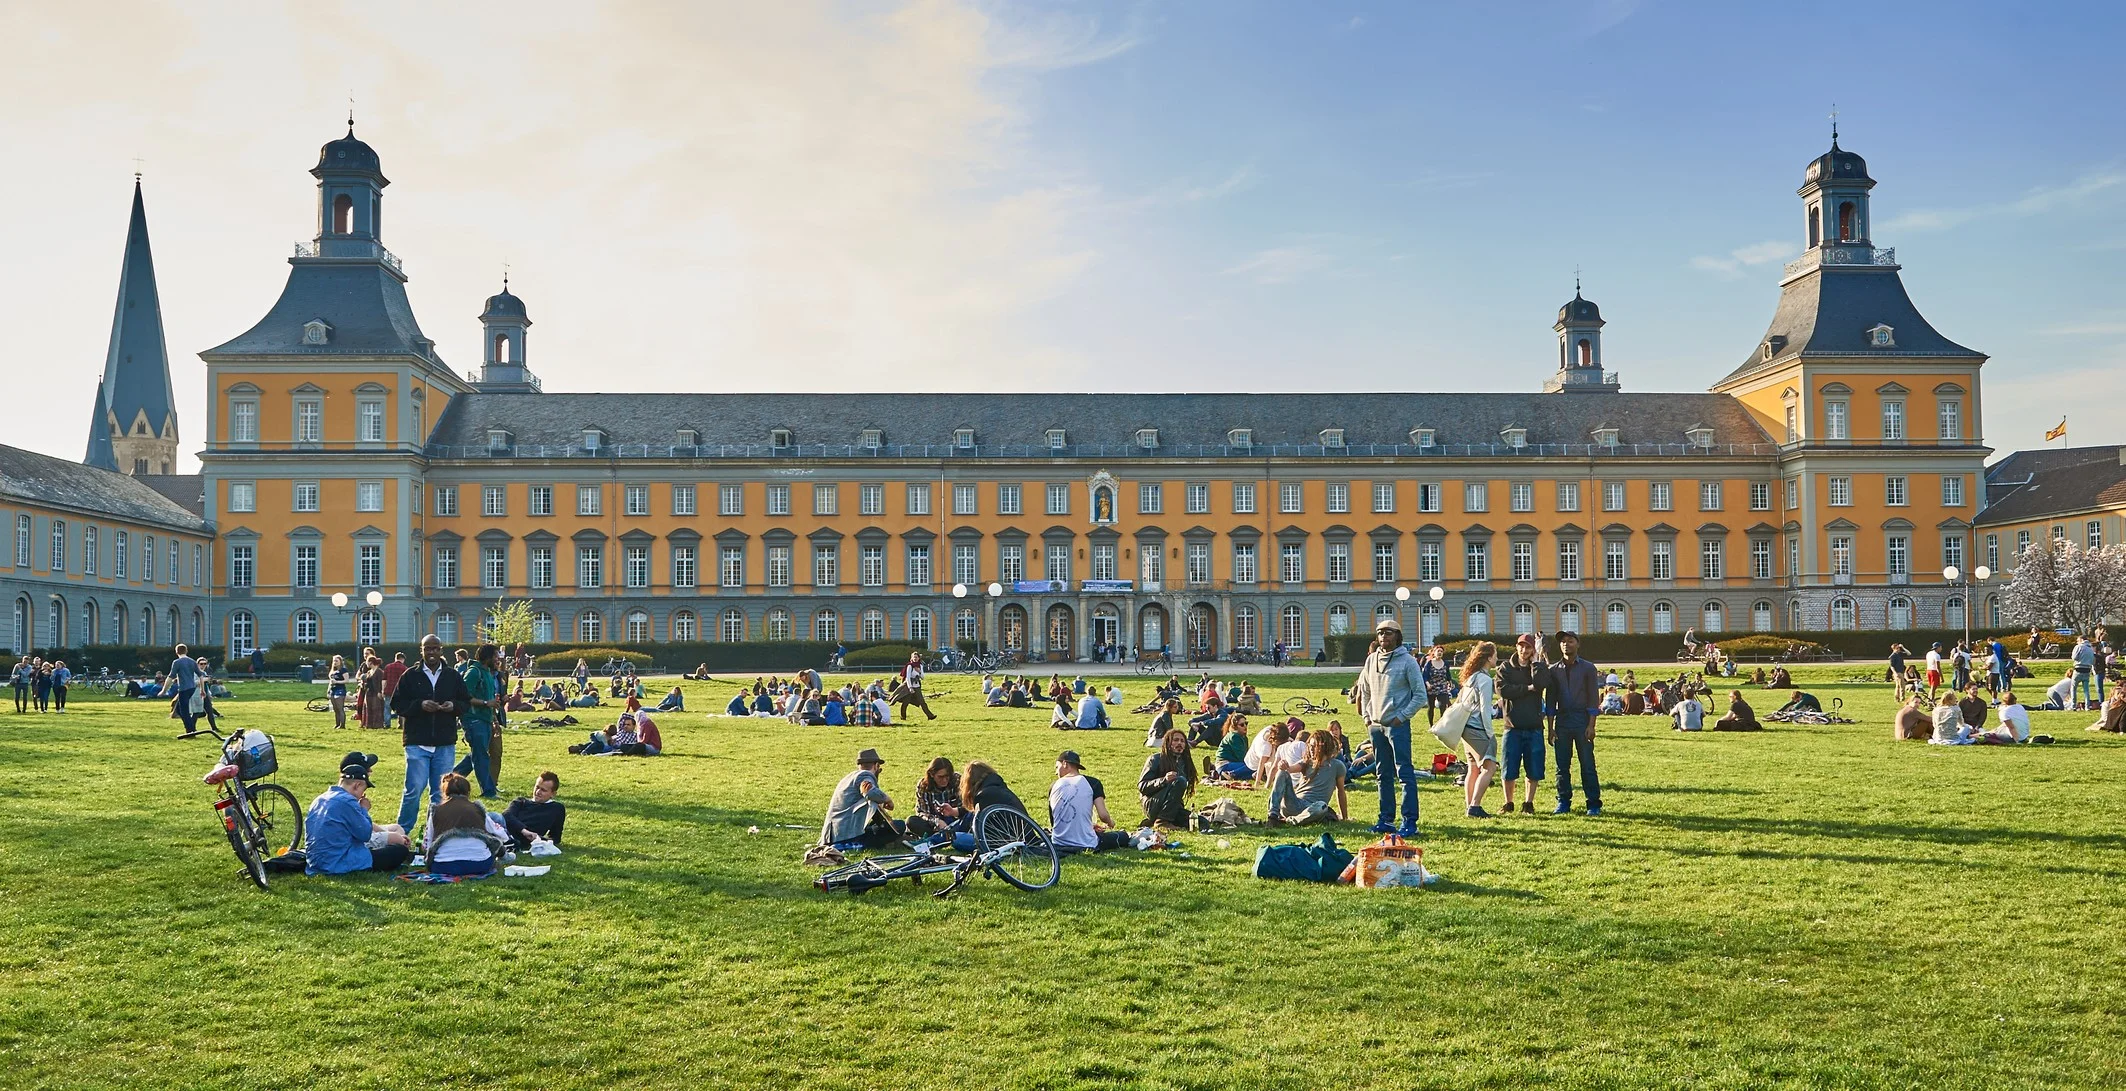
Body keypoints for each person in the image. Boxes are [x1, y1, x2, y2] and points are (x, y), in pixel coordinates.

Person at [1351, 616, 1426, 836]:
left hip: (1397, 726)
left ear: (1398, 637)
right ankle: (1385, 819)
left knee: (1404, 772)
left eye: (1389, 632)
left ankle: (1409, 821)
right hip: (1375, 725)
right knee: (1382, 774)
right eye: (1381, 632)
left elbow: (1420, 695)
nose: (1384, 636)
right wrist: (1366, 716)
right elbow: (1363, 690)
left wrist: (1402, 716)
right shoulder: (1371, 660)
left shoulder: (1408, 662)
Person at [391, 634, 471, 832]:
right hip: (417, 742)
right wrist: (419, 705)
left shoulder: (452, 676)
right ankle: (402, 832)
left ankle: (434, 832)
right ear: (422, 651)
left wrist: (453, 706)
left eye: (435, 648)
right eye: (428, 649)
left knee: (440, 793)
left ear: (441, 650)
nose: (432, 652)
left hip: (444, 742)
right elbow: (397, 704)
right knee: (414, 790)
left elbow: (466, 702)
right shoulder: (410, 675)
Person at [303, 752, 412, 875]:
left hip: (315, 862)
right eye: (363, 790)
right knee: (399, 851)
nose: (362, 794)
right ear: (357, 785)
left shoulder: (320, 799)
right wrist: (364, 809)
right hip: (338, 862)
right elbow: (364, 834)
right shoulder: (347, 801)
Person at [1547, 630, 1603, 816]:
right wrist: (1550, 728)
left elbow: (1593, 698)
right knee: (1562, 766)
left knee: (1587, 764)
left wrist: (1591, 725)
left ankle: (1593, 803)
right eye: (1563, 642)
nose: (1566, 644)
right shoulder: (1554, 670)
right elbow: (1551, 700)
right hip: (1562, 721)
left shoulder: (1588, 668)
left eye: (1570, 641)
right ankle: (1563, 801)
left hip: (1582, 721)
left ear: (1577, 644)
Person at [1446, 641, 1501, 818]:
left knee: (1472, 768)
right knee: (1489, 767)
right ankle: (1475, 806)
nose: (1497, 658)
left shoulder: (1471, 677)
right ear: (1488, 657)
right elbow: (1485, 710)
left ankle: (1469, 805)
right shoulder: (1484, 680)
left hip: (1465, 728)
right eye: (1495, 655)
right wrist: (1490, 731)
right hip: (1478, 728)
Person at [422, 773, 508, 877]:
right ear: (467, 791)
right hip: (479, 864)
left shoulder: (436, 811)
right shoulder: (477, 809)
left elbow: (427, 843)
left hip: (443, 866)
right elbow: (501, 834)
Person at [821, 749, 904, 851]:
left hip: (833, 834)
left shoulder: (848, 778)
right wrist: (887, 799)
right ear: (876, 765)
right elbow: (869, 792)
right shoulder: (865, 775)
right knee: (899, 826)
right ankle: (852, 845)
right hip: (846, 833)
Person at [1049, 751, 1131, 852]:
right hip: (1086, 843)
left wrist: (1089, 825)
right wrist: (1110, 823)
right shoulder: (1092, 783)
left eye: (1057, 767)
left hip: (1058, 841)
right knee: (1122, 836)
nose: (1056, 772)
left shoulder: (1054, 786)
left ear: (1065, 764)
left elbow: (1056, 820)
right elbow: (1103, 816)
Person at [1266, 728, 1349, 827]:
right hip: (1295, 803)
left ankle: (1291, 821)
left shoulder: (1337, 766)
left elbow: (1340, 791)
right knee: (1282, 773)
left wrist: (1344, 817)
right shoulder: (1307, 762)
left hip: (1313, 807)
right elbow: (1289, 769)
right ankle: (1273, 816)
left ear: (1324, 747)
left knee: (1322, 806)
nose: (1311, 749)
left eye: (1315, 746)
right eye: (1310, 746)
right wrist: (1283, 766)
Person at [452, 644, 502, 799]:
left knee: (476, 754)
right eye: (495, 656)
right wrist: (487, 704)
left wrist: (494, 719)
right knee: (481, 756)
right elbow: (464, 696)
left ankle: (451, 779)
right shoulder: (474, 672)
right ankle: (488, 791)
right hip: (474, 720)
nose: (497, 659)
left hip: (485, 720)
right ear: (487, 657)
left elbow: (490, 699)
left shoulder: (487, 673)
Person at [1138, 728, 1197, 828]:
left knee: (1201, 822)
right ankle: (1162, 822)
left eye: (1182, 741)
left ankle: (1159, 821)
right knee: (1180, 781)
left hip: (1172, 807)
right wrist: (1164, 780)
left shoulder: (1185, 763)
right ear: (1168, 743)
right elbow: (1142, 786)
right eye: (1175, 740)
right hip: (1152, 804)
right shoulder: (1155, 759)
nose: (1180, 743)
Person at [502, 771, 566, 850]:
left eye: (543, 790)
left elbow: (555, 837)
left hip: (521, 840)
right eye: (537, 787)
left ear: (553, 794)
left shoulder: (556, 809)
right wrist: (524, 831)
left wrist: (538, 838)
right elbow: (506, 815)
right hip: (504, 831)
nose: (538, 792)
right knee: (494, 817)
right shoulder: (520, 802)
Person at [906, 757, 967, 841]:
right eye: (940, 777)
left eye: (947, 776)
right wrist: (936, 821)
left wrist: (953, 811)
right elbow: (922, 812)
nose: (944, 780)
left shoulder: (957, 780)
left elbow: (965, 807)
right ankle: (941, 836)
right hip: (933, 823)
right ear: (931, 775)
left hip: (955, 820)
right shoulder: (923, 785)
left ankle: (942, 837)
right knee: (911, 821)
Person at [168, 643, 204, 736]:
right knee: (180, 709)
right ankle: (190, 729)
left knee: (184, 711)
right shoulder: (192, 661)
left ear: (176, 652)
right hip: (192, 688)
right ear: (186, 651)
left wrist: (164, 690)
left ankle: (190, 731)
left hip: (184, 688)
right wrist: (202, 690)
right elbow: (201, 676)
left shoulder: (176, 662)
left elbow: (171, 676)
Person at [894, 653, 936, 721]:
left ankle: (930, 716)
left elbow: (922, 677)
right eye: (914, 657)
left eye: (916, 657)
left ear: (919, 658)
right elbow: (907, 677)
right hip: (909, 687)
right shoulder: (910, 666)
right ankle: (903, 717)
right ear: (912, 658)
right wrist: (910, 687)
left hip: (917, 686)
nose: (915, 658)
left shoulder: (920, 666)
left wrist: (919, 672)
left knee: (922, 702)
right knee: (906, 702)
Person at [1419, 646, 1454, 725]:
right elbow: (1425, 675)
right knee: (1431, 707)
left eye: (1441, 651)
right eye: (1438, 651)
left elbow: (1448, 675)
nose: (1440, 653)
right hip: (1431, 687)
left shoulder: (1445, 663)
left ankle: (1442, 725)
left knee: (1443, 707)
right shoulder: (1429, 663)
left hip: (1442, 687)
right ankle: (1431, 725)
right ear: (1434, 653)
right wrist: (1427, 684)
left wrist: (1450, 682)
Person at [381, 652, 409, 727]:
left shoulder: (388, 667)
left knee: (387, 708)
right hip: (400, 691)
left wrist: (383, 690)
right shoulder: (405, 668)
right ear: (403, 659)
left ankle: (387, 723)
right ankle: (400, 724)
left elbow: (384, 680)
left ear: (395, 658)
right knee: (400, 708)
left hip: (389, 690)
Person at [2073, 636, 2098, 710]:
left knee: (2073, 688)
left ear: (2081, 640)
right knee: (2086, 690)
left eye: (2078, 640)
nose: (2077, 642)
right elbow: (2093, 660)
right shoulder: (2090, 649)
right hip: (2087, 670)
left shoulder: (2079, 647)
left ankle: (2073, 705)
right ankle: (2087, 706)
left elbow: (2074, 657)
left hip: (2078, 669)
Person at [326, 654, 351, 729]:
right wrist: (328, 690)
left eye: (337, 661)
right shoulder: (333, 671)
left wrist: (337, 682)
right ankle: (337, 723)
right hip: (332, 690)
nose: (335, 662)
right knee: (335, 709)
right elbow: (331, 681)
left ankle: (342, 725)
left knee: (340, 708)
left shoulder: (343, 670)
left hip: (340, 690)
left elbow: (346, 680)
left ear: (340, 662)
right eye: (334, 661)